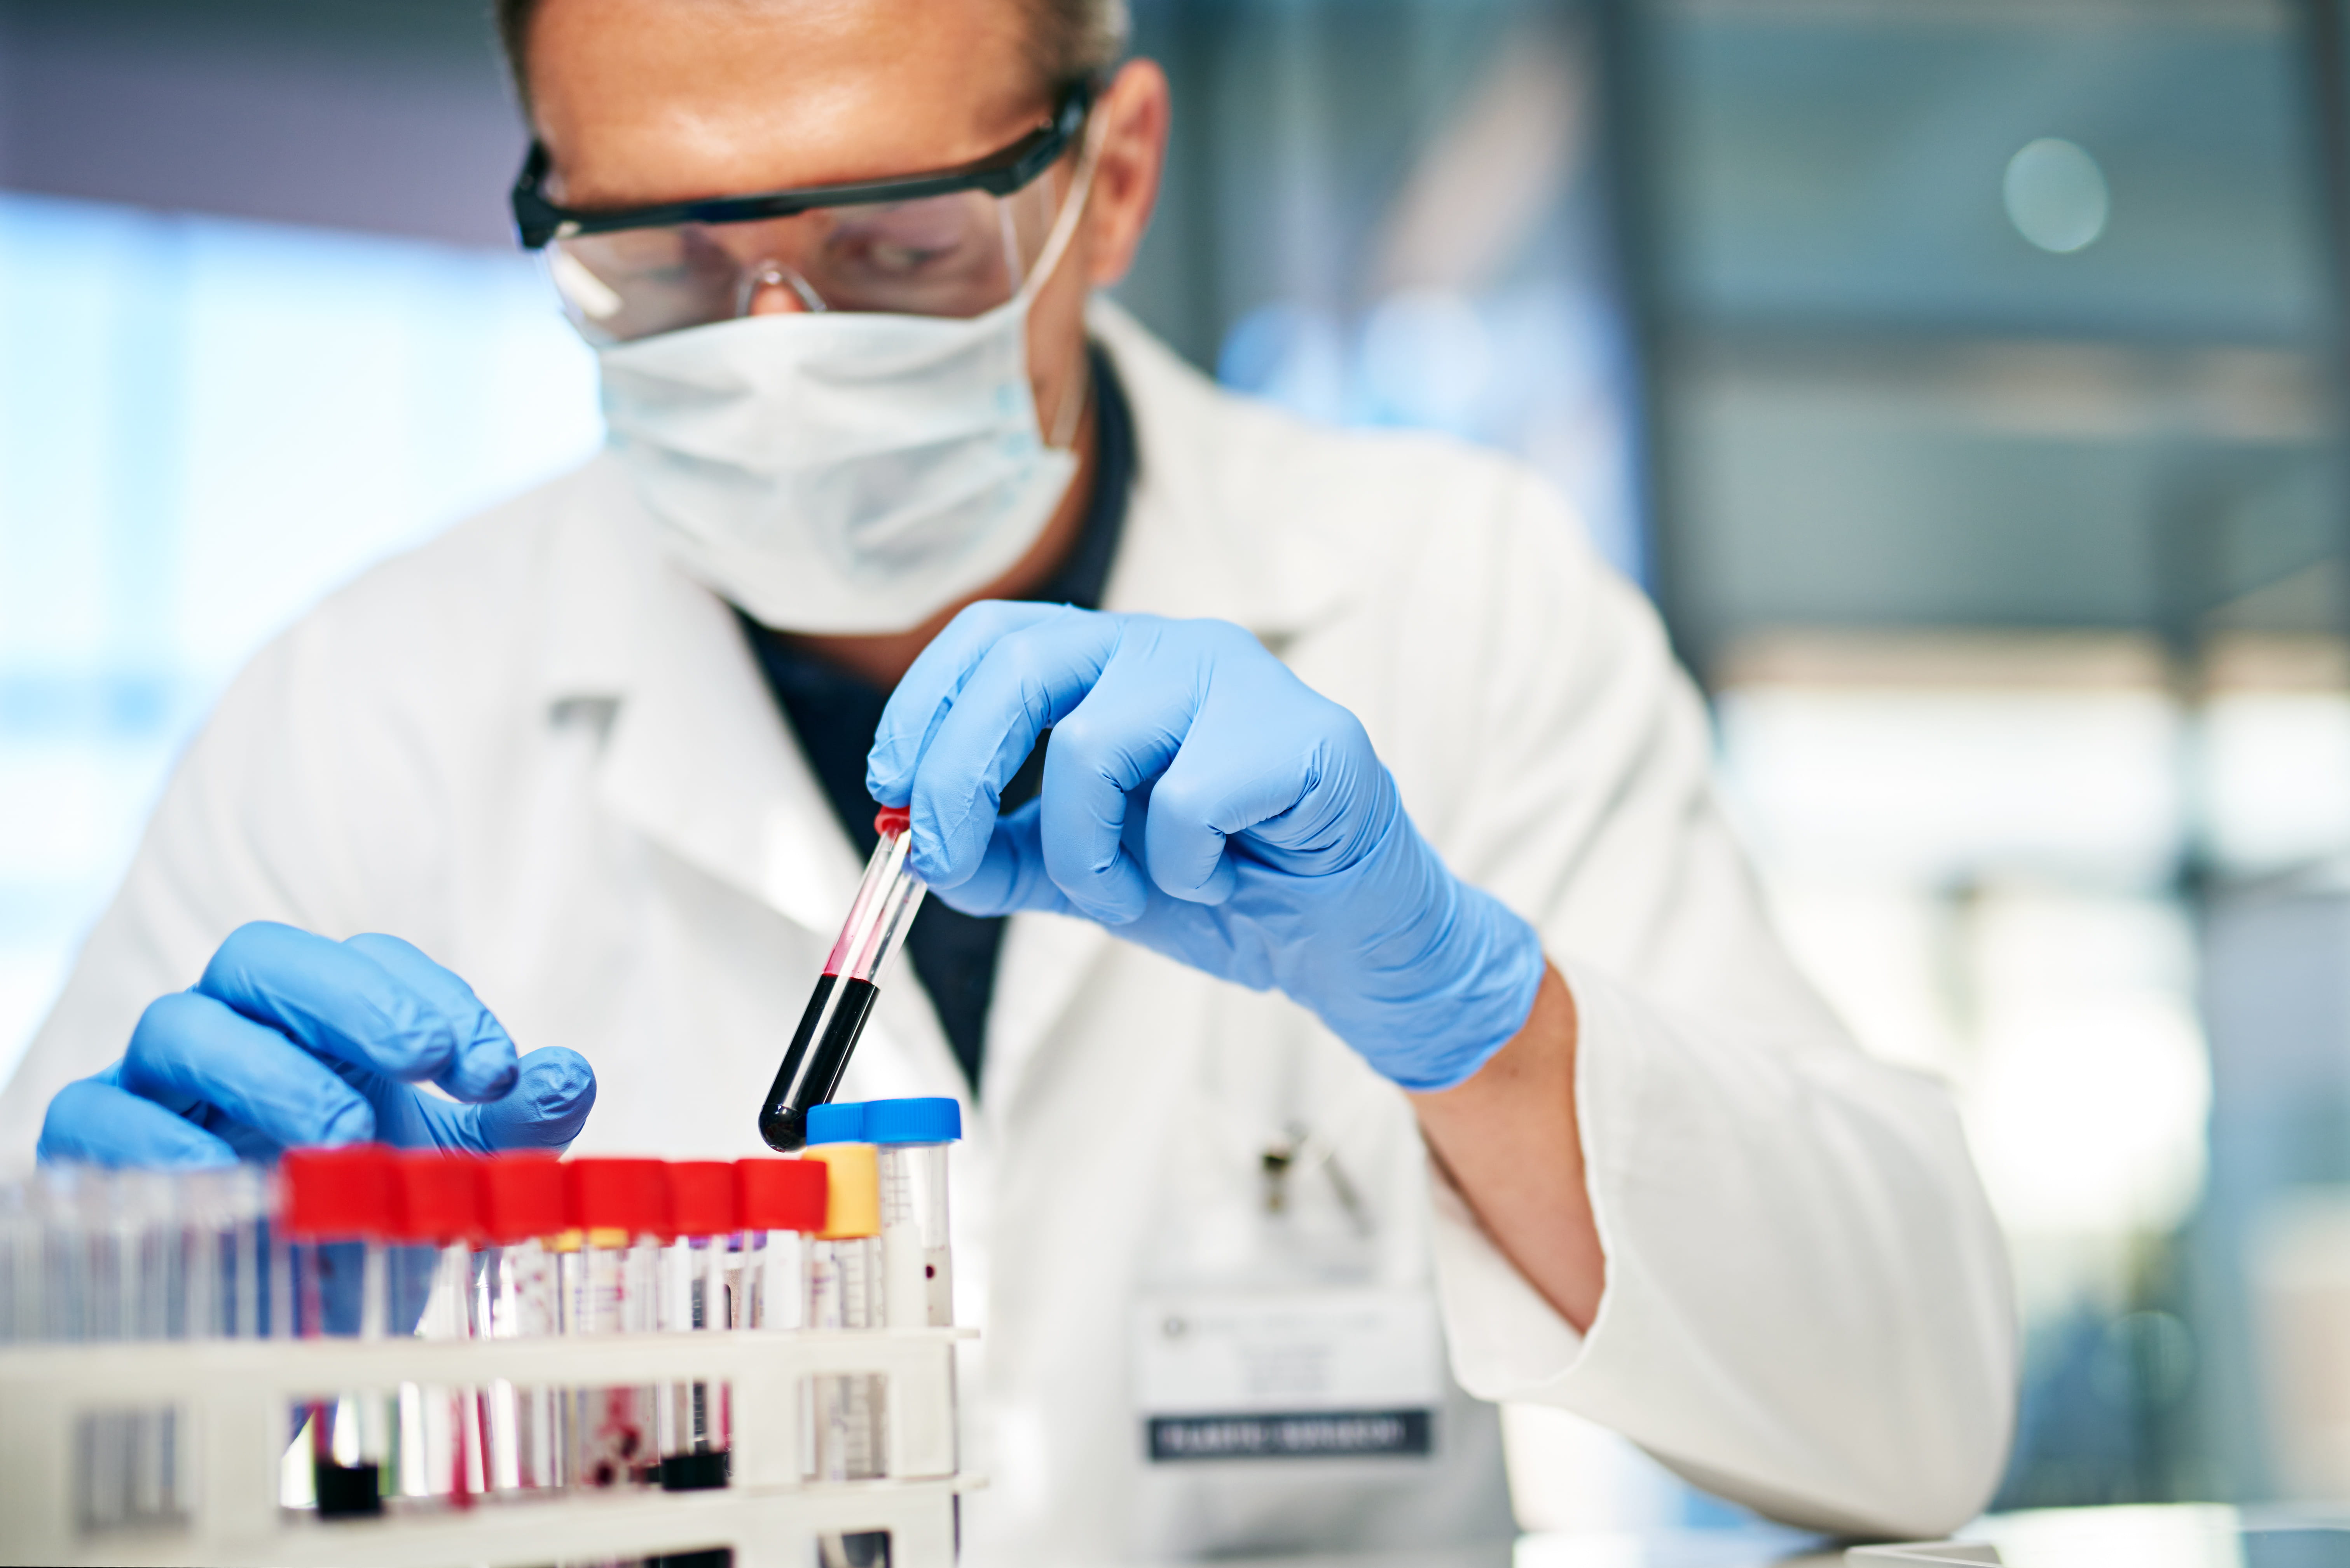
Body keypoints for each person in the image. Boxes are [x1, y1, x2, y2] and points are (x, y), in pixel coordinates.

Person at [0, 0, 2016, 1557]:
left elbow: (1909, 1409)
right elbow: (41, 1452)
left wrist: (1477, 1024)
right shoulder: (363, 703)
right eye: (660, 265)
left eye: (895, 245)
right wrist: (152, 1337)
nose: (776, 355)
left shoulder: (1452, 593)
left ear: (1111, 176)